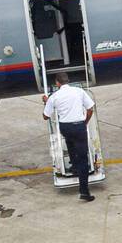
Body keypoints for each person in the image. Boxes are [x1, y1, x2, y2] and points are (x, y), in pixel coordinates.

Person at [42, 72, 96, 202]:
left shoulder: (54, 96)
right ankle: (84, 191)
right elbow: (90, 109)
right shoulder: (79, 91)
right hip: (79, 126)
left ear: (57, 83)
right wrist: (85, 123)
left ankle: (74, 165)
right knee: (83, 158)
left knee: (70, 140)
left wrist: (47, 102)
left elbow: (45, 116)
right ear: (68, 81)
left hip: (66, 128)